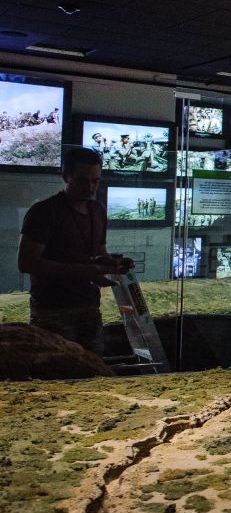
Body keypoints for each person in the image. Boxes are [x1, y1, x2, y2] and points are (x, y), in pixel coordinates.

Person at [17, 147, 134, 356]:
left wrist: (113, 264)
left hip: (89, 308)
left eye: (96, 181)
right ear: (66, 177)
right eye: (82, 181)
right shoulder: (44, 212)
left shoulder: (97, 211)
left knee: (93, 374)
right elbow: (27, 263)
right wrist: (88, 270)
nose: (90, 187)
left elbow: (98, 252)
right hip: (52, 312)